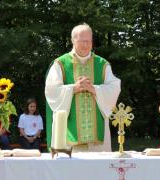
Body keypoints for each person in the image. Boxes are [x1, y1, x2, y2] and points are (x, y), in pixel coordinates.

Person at [45, 23, 121, 152]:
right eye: (82, 41)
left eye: (89, 41)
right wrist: (73, 88)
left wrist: (94, 89)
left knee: (98, 170)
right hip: (69, 134)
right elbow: (51, 91)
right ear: (73, 40)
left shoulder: (102, 64)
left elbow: (114, 88)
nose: (86, 45)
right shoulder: (60, 63)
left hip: (97, 139)